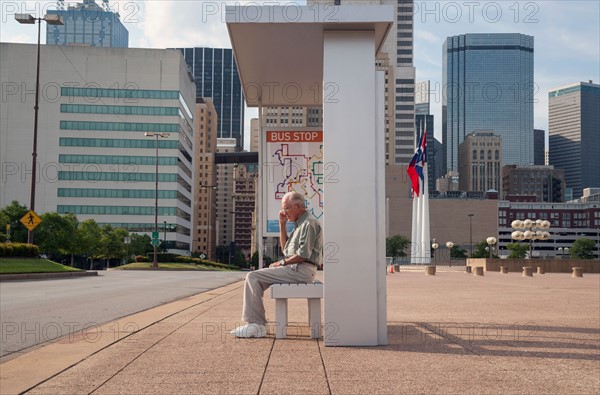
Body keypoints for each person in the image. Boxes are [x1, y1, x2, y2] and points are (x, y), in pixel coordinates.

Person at [230, 191, 322, 338]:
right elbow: (286, 250)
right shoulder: (300, 223)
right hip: (297, 268)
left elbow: (303, 255)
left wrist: (281, 263)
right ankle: (256, 324)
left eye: (286, 208)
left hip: (301, 269)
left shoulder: (308, 224)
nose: (283, 212)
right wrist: (282, 224)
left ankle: (256, 325)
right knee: (256, 279)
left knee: (253, 277)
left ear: (297, 206)